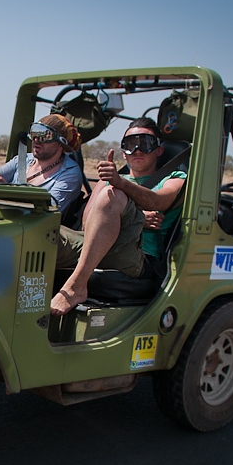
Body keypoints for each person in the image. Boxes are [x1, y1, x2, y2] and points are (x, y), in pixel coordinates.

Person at [50, 117, 186, 316]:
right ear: (123, 152)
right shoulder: (109, 180)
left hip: (139, 255)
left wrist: (120, 187)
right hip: (94, 245)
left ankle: (76, 287)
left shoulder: (174, 179)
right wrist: (135, 215)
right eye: (131, 145)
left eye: (145, 144)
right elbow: (87, 223)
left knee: (111, 196)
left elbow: (157, 201)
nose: (138, 150)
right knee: (38, 232)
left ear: (159, 150)